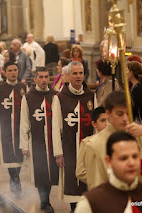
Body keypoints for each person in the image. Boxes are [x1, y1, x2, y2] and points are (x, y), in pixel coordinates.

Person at [83, 91, 142, 190]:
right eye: (120, 114)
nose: (125, 118)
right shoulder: (94, 144)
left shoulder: (139, 135)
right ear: (108, 113)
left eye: (128, 113)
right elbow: (95, 188)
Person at [75, 131, 142, 213]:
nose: (131, 163)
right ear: (109, 161)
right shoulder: (90, 202)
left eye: (135, 156)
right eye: (123, 158)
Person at [51, 61, 95, 212]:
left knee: (87, 182)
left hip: (87, 148)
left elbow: (95, 124)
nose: (78, 76)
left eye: (80, 73)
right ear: (68, 76)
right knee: (71, 182)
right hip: (68, 148)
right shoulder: (60, 97)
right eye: (74, 73)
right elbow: (55, 128)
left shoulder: (91, 96)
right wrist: (58, 153)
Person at [20, 67, 58, 213]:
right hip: (36, 141)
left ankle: (45, 200)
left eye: (46, 77)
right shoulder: (28, 97)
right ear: (35, 79)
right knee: (41, 172)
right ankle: (45, 202)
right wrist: (24, 145)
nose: (43, 80)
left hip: (53, 140)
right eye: (40, 77)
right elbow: (24, 123)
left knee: (51, 172)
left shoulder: (55, 95)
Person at [0, 61, 27, 196]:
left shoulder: (23, 87)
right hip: (5, 127)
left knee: (19, 155)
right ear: (4, 72)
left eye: (15, 70)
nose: (13, 73)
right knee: (8, 155)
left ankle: (15, 178)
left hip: (20, 127)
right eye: (10, 70)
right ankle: (15, 179)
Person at [76, 107, 107, 184]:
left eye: (109, 120)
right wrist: (100, 180)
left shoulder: (118, 141)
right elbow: (80, 172)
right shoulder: (87, 143)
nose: (106, 124)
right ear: (94, 124)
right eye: (102, 121)